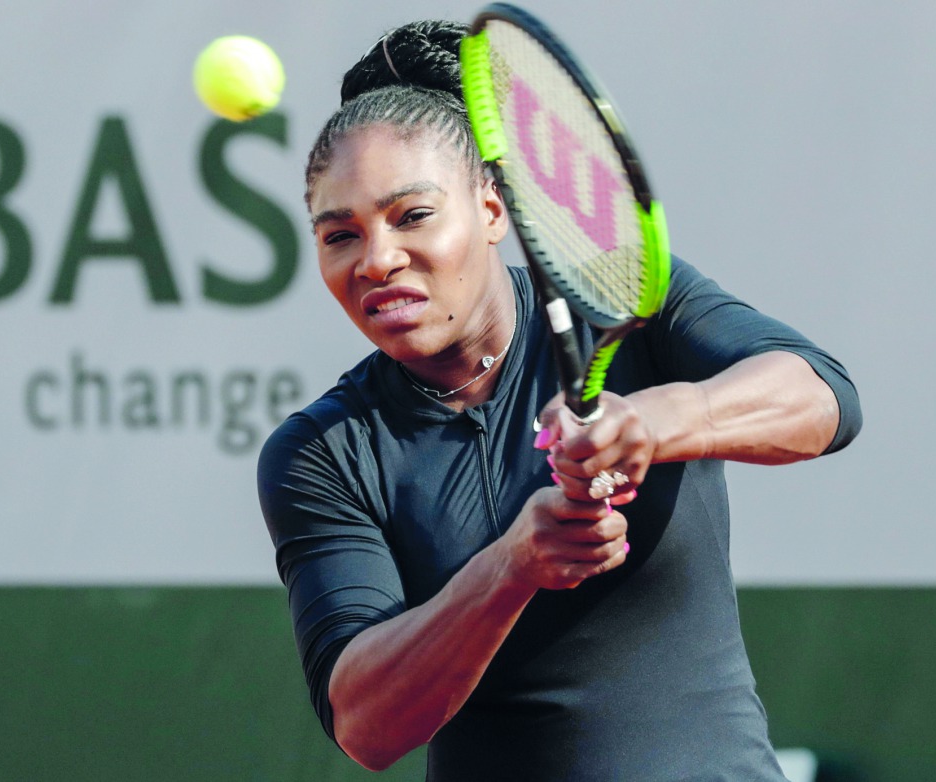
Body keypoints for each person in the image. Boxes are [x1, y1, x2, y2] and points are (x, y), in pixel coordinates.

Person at [257, 19, 861, 781]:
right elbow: (365, 725)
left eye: (413, 216)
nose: (378, 259)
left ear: (491, 208)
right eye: (339, 235)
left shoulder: (623, 296)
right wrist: (510, 567)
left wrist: (647, 423)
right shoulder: (320, 452)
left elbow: (823, 398)